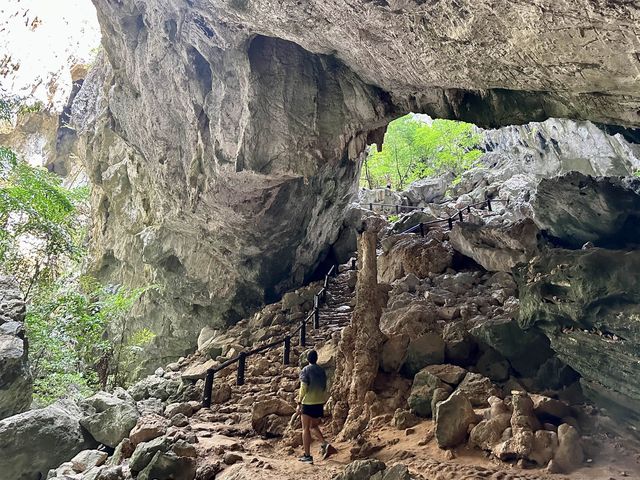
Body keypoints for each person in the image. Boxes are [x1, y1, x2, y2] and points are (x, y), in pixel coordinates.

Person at [297, 350, 334, 464]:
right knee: (313, 426)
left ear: (307, 359)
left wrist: (299, 402)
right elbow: (324, 386)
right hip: (319, 402)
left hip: (308, 403)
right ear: (316, 358)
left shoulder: (306, 370)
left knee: (305, 429)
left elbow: (303, 387)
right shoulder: (321, 371)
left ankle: (307, 456)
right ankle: (325, 444)